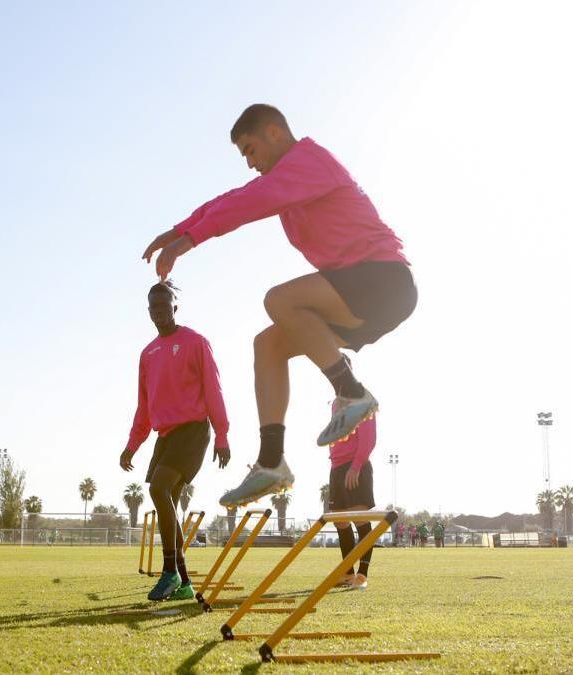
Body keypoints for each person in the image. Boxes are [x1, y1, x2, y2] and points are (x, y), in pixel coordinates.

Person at [141, 104, 416, 508]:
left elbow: (249, 203)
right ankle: (271, 462)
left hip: (383, 279)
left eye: (251, 150)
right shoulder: (288, 184)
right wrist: (179, 228)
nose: (251, 163)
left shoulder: (308, 162)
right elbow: (236, 197)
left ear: (274, 132)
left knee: (280, 300)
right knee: (267, 345)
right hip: (360, 296)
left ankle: (351, 392)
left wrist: (189, 241)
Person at [120, 281, 231, 602]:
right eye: (152, 308)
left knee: (158, 488)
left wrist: (222, 435)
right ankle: (183, 583)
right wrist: (132, 445)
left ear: (175, 307)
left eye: (164, 306)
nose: (158, 312)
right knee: (162, 494)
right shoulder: (148, 354)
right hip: (165, 435)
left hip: (194, 430)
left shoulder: (196, 342)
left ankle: (168, 571)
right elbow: (144, 405)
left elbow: (214, 389)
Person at [325, 399, 377, 591]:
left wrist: (356, 467)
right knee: (340, 521)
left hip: (356, 466)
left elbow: (369, 439)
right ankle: (348, 573)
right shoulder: (335, 404)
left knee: (360, 519)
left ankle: (362, 575)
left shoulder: (363, 400)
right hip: (337, 467)